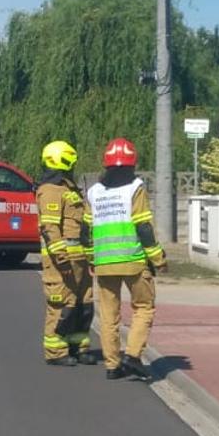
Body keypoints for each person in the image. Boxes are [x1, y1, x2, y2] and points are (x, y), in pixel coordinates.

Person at [83, 138, 160, 382]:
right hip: (133, 259)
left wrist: (91, 259)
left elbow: (86, 232)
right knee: (144, 307)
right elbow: (144, 227)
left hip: (104, 262)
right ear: (132, 163)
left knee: (108, 316)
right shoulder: (135, 187)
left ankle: (112, 366)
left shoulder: (94, 192)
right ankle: (133, 356)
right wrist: (157, 258)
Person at [35, 140, 93, 366]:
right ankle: (56, 352)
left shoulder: (69, 189)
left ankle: (79, 346)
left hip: (79, 260)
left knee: (83, 305)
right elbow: (50, 229)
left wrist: (90, 257)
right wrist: (62, 259)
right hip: (61, 263)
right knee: (61, 305)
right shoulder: (49, 191)